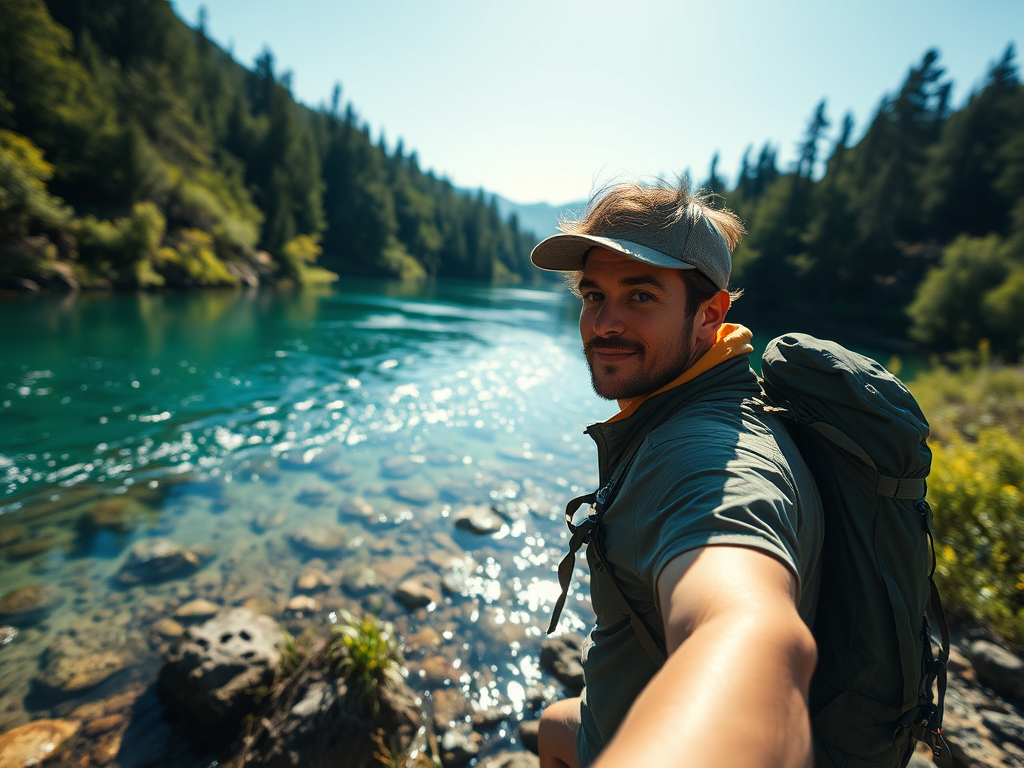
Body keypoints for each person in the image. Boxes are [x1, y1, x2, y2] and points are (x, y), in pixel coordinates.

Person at [530, 178, 824, 768]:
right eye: (593, 296)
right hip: (609, 726)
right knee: (553, 727)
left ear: (709, 316)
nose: (604, 324)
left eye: (640, 297)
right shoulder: (714, 402)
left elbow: (750, 629)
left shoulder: (699, 452)